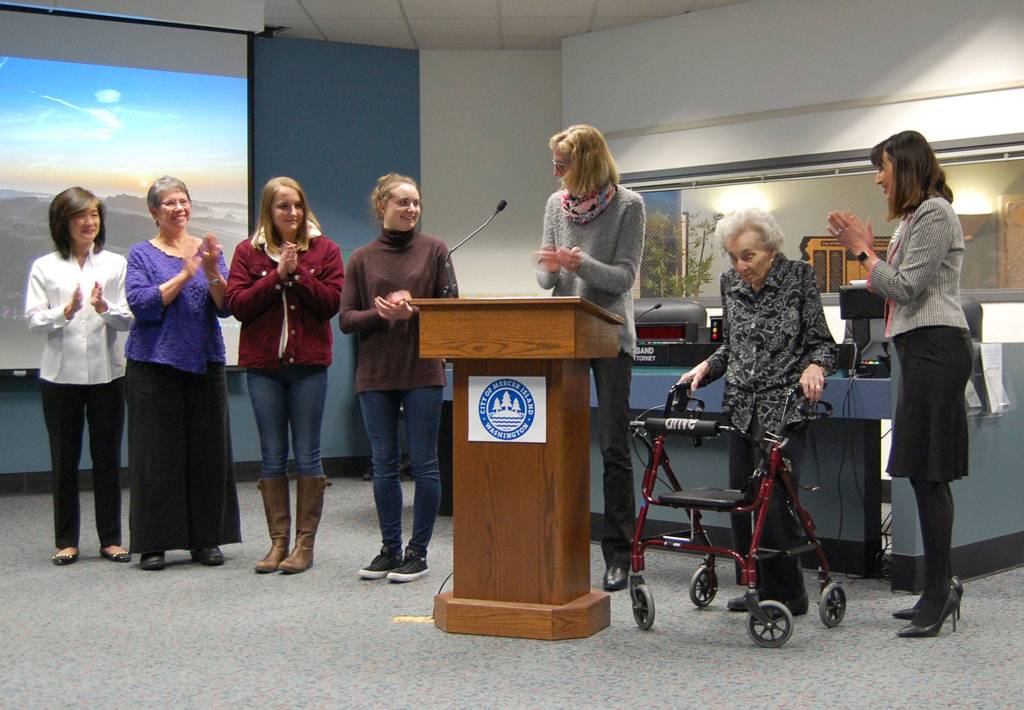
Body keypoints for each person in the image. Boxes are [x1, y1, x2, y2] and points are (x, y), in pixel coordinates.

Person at [828, 130, 969, 638]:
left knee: (930, 472)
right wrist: (870, 254)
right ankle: (938, 587)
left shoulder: (934, 213)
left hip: (937, 349)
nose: (878, 177)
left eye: (883, 167)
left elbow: (905, 286)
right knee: (921, 472)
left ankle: (938, 591)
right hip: (920, 351)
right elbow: (898, 284)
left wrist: (864, 253)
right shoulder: (914, 218)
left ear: (905, 167)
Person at [677, 208, 836, 616]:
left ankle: (788, 594)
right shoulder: (730, 283)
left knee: (776, 505)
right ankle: (753, 584)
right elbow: (731, 348)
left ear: (770, 247)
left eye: (747, 256)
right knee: (743, 503)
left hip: (782, 407)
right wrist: (705, 368)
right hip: (740, 408)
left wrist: (816, 366)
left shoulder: (799, 277)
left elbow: (822, 342)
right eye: (733, 257)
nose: (739, 266)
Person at [536, 124, 645, 592]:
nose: (557, 173)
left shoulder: (629, 205)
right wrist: (549, 267)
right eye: (555, 164)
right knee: (559, 444)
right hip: (564, 336)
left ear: (587, 163)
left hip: (608, 339)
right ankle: (561, 542)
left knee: (614, 448)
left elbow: (623, 278)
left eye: (564, 164)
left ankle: (618, 554)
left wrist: (582, 266)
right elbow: (545, 282)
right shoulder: (554, 205)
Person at [226, 177, 344, 574]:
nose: (291, 213)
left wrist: (297, 275)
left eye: (297, 205)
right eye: (283, 207)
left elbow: (331, 303)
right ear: (269, 211)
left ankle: (304, 545)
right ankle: (278, 543)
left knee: (308, 452)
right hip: (264, 368)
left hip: (309, 366)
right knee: (272, 455)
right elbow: (237, 304)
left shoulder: (325, 250)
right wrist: (275, 275)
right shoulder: (248, 252)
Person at [124, 176, 241, 571]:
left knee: (209, 453)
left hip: (205, 361)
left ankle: (206, 540)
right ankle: (154, 542)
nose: (179, 208)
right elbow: (143, 303)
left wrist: (210, 271)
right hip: (153, 366)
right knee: (156, 457)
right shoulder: (141, 253)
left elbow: (226, 306)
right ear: (154, 212)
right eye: (169, 203)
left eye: (183, 201)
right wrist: (185, 274)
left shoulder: (207, 252)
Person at [340, 173, 451, 583]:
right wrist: (381, 313)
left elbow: (451, 307)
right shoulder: (362, 258)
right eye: (403, 202)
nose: (411, 210)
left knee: (425, 464)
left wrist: (416, 309)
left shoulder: (435, 250)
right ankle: (389, 549)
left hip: (423, 369)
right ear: (382, 206)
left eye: (416, 203)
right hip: (376, 373)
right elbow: (347, 320)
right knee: (384, 465)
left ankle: (417, 553)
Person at [25, 187, 134, 566]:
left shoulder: (115, 264)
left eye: (94, 216)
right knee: (64, 461)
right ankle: (66, 540)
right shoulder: (44, 266)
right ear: (63, 222)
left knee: (107, 459)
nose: (89, 223)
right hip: (60, 378)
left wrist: (105, 308)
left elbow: (128, 318)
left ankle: (111, 539)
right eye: (80, 216)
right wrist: (65, 311)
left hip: (107, 376)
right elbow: (34, 320)